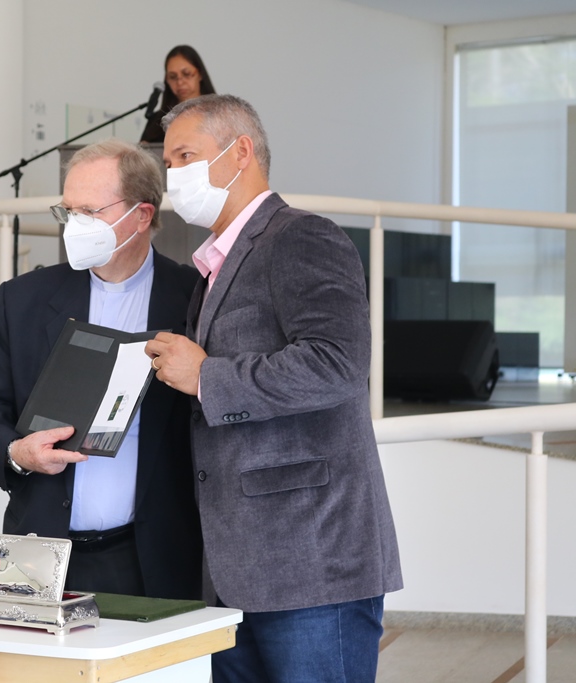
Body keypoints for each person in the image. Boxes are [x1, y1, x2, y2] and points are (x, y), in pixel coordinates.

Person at [147, 94, 403, 682]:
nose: (173, 176)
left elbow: (338, 363)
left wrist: (206, 376)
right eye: (168, 163)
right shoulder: (213, 265)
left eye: (185, 156)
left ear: (240, 152)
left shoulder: (301, 237)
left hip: (312, 562)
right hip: (235, 569)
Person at [0, 138, 203, 600]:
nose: (75, 225)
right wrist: (17, 454)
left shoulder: (195, 297)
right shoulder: (23, 299)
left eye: (90, 211)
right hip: (37, 548)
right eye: (68, 211)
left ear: (142, 216)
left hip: (153, 555)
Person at [140, 45, 217, 144]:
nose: (180, 82)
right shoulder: (157, 121)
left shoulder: (218, 115)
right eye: (173, 77)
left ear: (200, 74)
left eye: (186, 74)